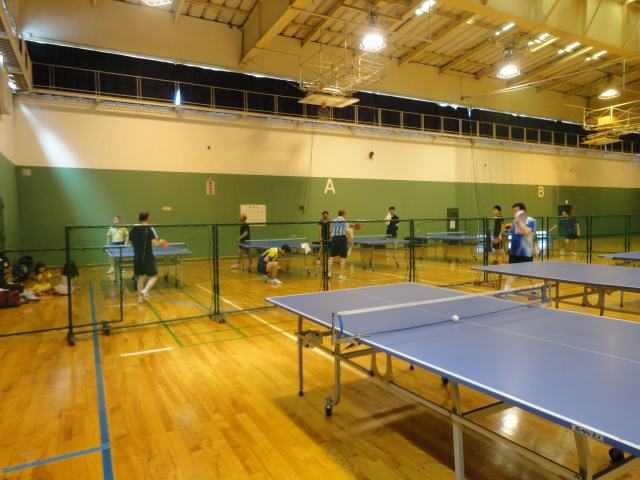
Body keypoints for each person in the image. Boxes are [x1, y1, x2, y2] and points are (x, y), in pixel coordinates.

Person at [129, 212, 168, 304]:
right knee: (155, 276)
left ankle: (140, 299)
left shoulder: (133, 229)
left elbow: (130, 242)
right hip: (147, 256)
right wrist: (162, 242)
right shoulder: (149, 229)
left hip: (137, 256)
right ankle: (145, 291)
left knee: (140, 278)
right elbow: (155, 243)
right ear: (148, 218)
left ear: (139, 218)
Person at [329, 210, 349, 280]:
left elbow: (330, 231)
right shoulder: (345, 221)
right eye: (345, 214)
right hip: (342, 239)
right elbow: (347, 231)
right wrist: (349, 239)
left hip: (334, 238)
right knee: (343, 257)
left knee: (331, 256)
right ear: (343, 214)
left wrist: (332, 238)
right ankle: (341, 275)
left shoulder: (333, 220)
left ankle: (329, 273)